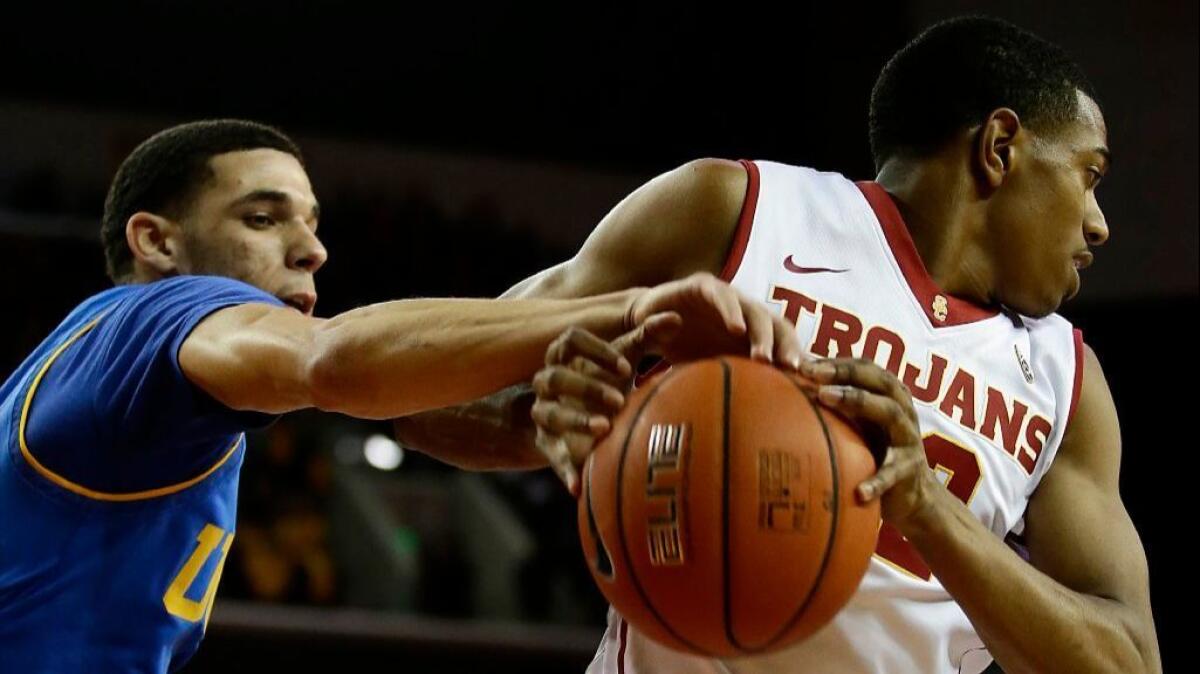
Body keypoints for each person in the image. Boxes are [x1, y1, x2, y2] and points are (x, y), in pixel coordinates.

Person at [395, 16, 1161, 673]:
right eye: (1089, 176)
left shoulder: (1068, 380)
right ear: (999, 146)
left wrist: (928, 507)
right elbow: (419, 384)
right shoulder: (741, 213)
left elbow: (1128, 659)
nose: (1098, 224)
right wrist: (566, 425)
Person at [0, 119, 799, 672]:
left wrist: (550, 416)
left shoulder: (136, 380)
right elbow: (338, 362)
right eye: (262, 218)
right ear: (158, 242)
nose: (310, 248)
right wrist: (631, 306)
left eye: (311, 223)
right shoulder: (157, 315)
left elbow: (417, 408)